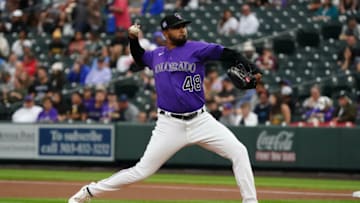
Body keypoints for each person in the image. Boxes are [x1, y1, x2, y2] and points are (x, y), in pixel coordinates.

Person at [69, 13, 260, 203]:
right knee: (141, 171)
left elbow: (229, 53)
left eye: (184, 26)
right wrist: (133, 39)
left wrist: (253, 68)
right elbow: (139, 57)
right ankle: (88, 192)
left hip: (201, 120)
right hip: (169, 125)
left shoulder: (197, 49)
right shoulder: (156, 55)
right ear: (166, 32)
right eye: (177, 27)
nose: (182, 29)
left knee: (239, 151)